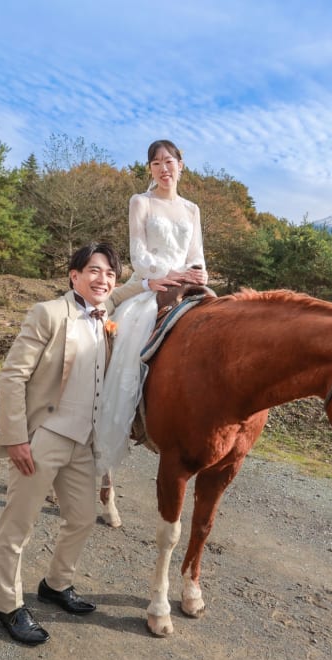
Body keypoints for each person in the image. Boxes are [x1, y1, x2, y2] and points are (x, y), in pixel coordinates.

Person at [0, 243, 175, 646]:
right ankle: (7, 605)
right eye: (93, 270)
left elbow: (121, 294)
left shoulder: (109, 315)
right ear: (74, 275)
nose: (102, 279)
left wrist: (152, 282)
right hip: (44, 436)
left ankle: (56, 584)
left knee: (83, 518)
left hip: (84, 443)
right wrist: (17, 437)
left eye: (109, 273)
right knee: (19, 526)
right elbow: (11, 377)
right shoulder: (49, 313)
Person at [94, 140, 208, 474]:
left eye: (169, 161)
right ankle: (118, 410)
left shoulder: (192, 209)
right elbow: (139, 256)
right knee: (128, 331)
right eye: (156, 163)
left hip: (186, 282)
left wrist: (197, 273)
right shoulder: (140, 202)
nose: (163, 168)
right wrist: (165, 275)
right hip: (150, 282)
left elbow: (197, 254)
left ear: (181, 165)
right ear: (150, 169)